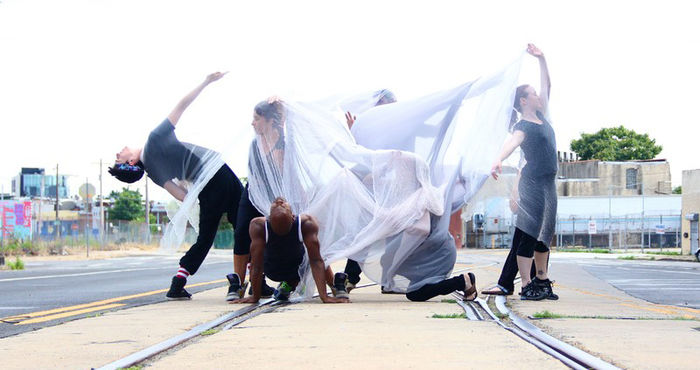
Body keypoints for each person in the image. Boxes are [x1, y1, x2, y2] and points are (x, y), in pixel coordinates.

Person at [109, 72, 244, 301]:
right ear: (131, 162)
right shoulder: (155, 138)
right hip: (218, 171)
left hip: (206, 187)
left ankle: (178, 282)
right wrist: (206, 81)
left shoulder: (152, 171)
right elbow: (182, 105)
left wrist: (202, 195)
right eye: (119, 158)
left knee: (205, 238)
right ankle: (245, 280)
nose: (118, 152)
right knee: (243, 223)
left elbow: (182, 195)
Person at [490, 44, 558, 301]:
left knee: (545, 233)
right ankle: (527, 284)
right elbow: (513, 142)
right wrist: (498, 159)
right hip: (532, 182)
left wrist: (543, 59)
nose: (538, 96)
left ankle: (542, 281)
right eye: (533, 94)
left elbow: (547, 85)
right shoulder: (523, 124)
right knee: (529, 233)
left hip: (549, 183)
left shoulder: (544, 116)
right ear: (523, 100)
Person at [231, 197, 350, 304]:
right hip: (274, 270)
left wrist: (324, 296)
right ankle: (296, 284)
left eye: (281, 205)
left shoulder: (305, 224)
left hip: (295, 270)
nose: (279, 201)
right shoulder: (260, 226)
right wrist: (255, 297)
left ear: (293, 217)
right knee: (315, 255)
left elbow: (316, 261)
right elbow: (256, 265)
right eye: (278, 205)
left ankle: (289, 285)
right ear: (268, 219)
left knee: (316, 254)